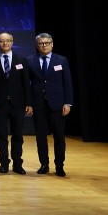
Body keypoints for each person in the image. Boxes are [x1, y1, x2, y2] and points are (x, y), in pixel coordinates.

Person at [27, 32, 73, 177]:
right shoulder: (30, 60)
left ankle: (59, 165)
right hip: (38, 104)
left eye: (47, 43)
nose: (44, 45)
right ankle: (44, 164)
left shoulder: (62, 60)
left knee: (59, 136)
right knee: (41, 136)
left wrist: (68, 103)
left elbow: (68, 83)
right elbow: (27, 85)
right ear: (37, 45)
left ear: (52, 44)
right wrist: (29, 103)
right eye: (41, 43)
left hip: (57, 104)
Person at [0, 32, 33, 174]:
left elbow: (26, 83)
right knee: (1, 135)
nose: (5, 43)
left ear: (12, 42)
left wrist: (29, 102)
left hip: (18, 104)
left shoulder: (21, 59)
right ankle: (4, 163)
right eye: (2, 41)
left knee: (17, 135)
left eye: (8, 41)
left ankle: (17, 163)